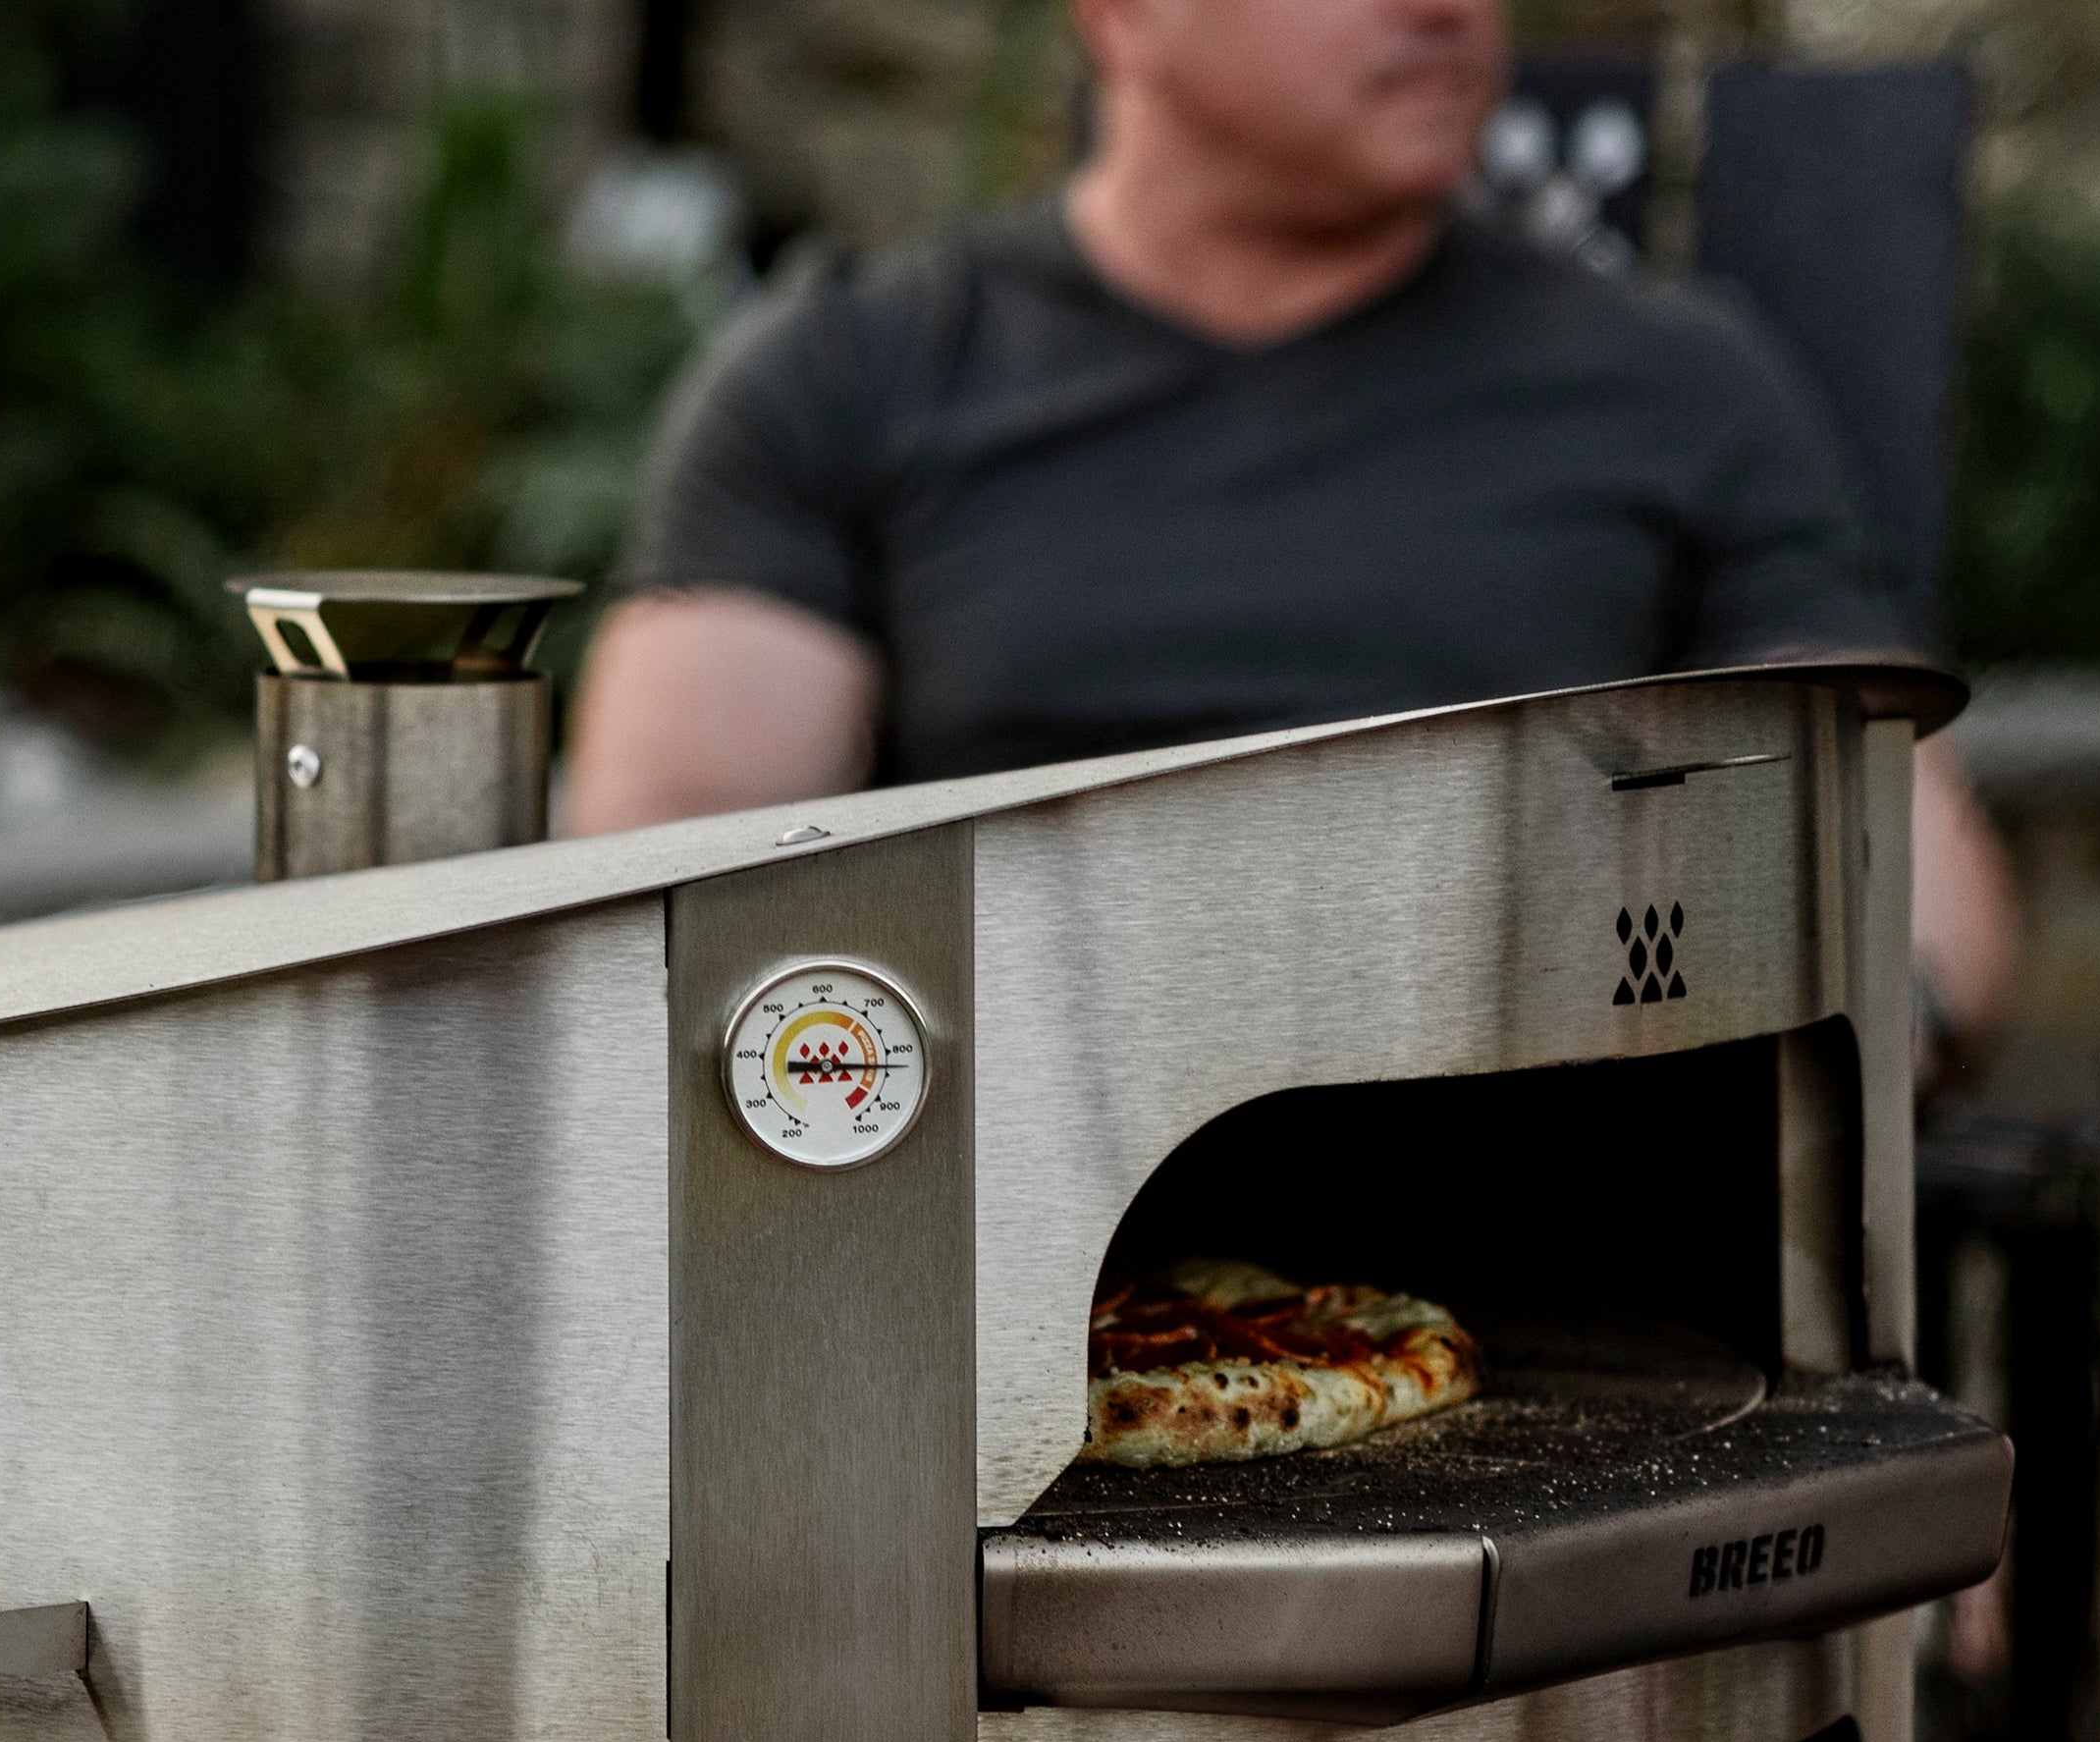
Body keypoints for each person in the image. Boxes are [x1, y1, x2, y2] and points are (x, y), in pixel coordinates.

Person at [564, 0, 2019, 1037]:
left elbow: (1913, 898)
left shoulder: (1680, 382)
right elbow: (668, 897)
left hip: (1561, 1238)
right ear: (1121, 16)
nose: (1449, 11)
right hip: (996, 1215)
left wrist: (1858, 1054)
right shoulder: (852, 374)